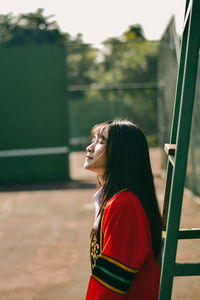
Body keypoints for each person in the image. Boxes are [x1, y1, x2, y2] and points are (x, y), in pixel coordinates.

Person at [84, 119, 162, 300]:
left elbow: (111, 284)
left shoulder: (124, 205)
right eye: (94, 140)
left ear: (122, 153)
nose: (90, 147)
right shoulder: (113, 200)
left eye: (101, 141)